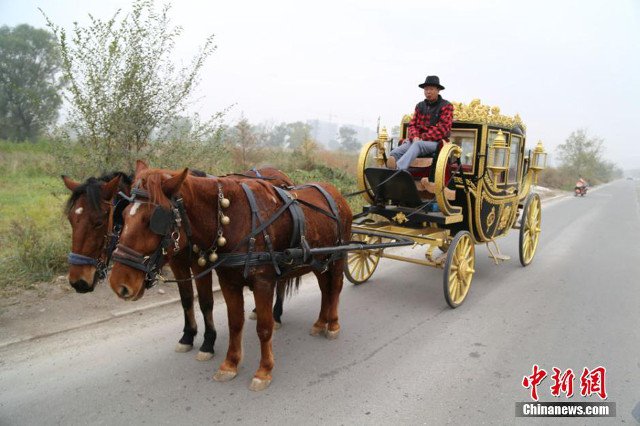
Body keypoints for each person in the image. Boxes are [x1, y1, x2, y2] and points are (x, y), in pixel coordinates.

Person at [387, 75, 454, 170]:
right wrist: (414, 136)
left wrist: (422, 138)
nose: (428, 92)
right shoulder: (420, 106)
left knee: (417, 145)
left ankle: (398, 169)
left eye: (431, 89)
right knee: (396, 152)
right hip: (417, 140)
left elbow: (442, 129)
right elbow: (412, 125)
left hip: (437, 143)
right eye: (426, 89)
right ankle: (391, 164)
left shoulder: (446, 106)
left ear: (438, 90)